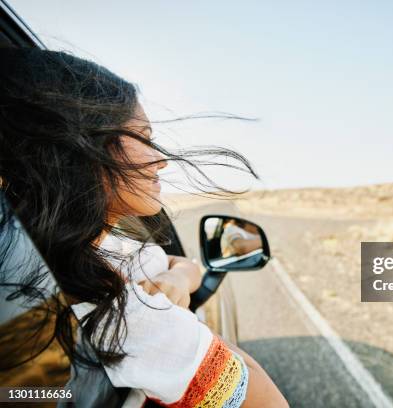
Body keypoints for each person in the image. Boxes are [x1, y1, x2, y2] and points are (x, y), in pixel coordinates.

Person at [0, 47, 288, 407]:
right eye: (144, 137)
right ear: (80, 150)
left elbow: (175, 265)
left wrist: (179, 278)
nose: (162, 161)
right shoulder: (129, 317)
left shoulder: (59, 264)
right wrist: (181, 325)